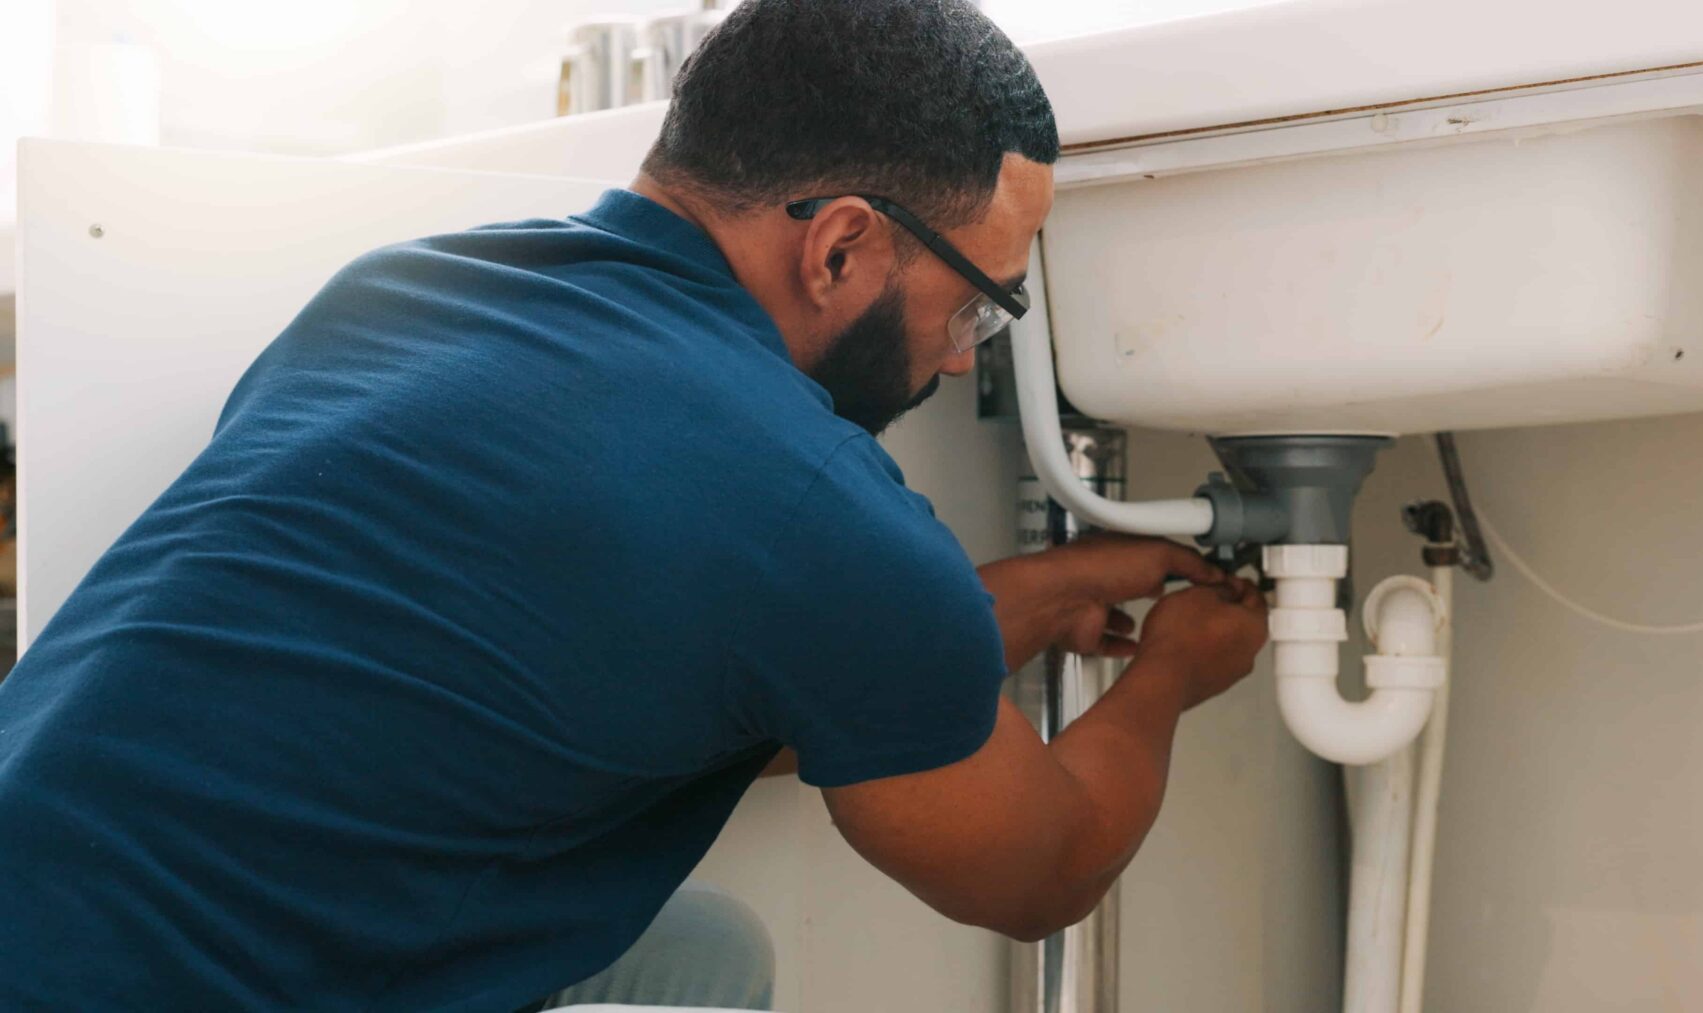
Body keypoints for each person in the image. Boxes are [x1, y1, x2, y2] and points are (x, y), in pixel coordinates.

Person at [0, 0, 1271, 1009]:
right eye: (979, 301)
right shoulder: (806, 501)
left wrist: (1038, 595)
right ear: (838, 246)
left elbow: (669, 675)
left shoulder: (403, 291)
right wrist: (1172, 678)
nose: (956, 356)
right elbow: (1039, 868)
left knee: (695, 955)